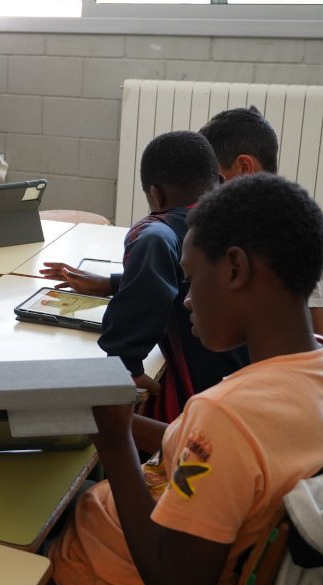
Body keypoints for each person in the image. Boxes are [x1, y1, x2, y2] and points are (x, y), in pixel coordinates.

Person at [42, 173, 323, 585]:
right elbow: (223, 458)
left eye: (191, 278)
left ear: (235, 269)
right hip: (131, 564)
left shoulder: (226, 416)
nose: (185, 299)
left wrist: (116, 444)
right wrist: (121, 422)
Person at [48, 131, 247, 422]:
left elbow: (155, 249)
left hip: (203, 407)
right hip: (247, 385)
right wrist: (114, 283)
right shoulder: (242, 216)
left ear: (157, 194)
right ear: (218, 180)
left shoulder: (156, 232)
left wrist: (125, 365)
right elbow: (187, 282)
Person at [199, 106, 323, 335]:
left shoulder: (286, 242)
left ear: (244, 168)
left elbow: (315, 342)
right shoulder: (285, 210)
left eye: (216, 178)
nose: (209, 191)